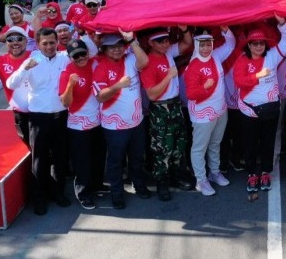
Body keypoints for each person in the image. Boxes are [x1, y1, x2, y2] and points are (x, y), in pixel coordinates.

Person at [6, 28, 71, 216]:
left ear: (57, 41)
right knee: (39, 160)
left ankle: (58, 193)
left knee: (60, 157)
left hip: (61, 116)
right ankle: (39, 198)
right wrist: (25, 68)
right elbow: (11, 84)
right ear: (38, 43)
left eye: (52, 42)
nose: (49, 46)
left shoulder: (64, 58)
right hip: (39, 118)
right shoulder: (31, 61)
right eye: (45, 43)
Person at [233, 16, 286, 196]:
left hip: (270, 110)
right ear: (248, 45)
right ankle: (251, 174)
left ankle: (266, 172)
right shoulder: (242, 60)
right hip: (249, 110)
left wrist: (282, 23)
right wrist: (258, 76)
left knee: (268, 143)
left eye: (261, 43)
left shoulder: (272, 55)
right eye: (254, 43)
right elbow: (239, 82)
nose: (259, 46)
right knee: (250, 144)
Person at [92, 30, 151, 209]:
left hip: (136, 121)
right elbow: (100, 97)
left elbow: (145, 62)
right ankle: (117, 194)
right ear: (104, 49)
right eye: (111, 47)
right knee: (115, 161)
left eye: (119, 46)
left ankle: (139, 185)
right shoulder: (100, 66)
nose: (117, 50)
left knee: (137, 157)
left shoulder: (130, 58)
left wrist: (131, 40)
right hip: (114, 126)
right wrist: (118, 85)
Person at [139, 27, 193, 201]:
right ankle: (161, 182)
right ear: (151, 43)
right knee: (162, 149)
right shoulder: (148, 62)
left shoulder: (168, 52)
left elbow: (187, 44)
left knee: (179, 144)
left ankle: (176, 177)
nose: (165, 43)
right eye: (160, 41)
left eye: (166, 40)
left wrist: (184, 30)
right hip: (160, 109)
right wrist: (168, 76)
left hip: (175, 105)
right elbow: (152, 94)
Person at [184, 27, 235, 196]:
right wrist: (205, 87)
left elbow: (231, 44)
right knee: (200, 147)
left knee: (215, 143)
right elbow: (190, 94)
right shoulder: (192, 66)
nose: (206, 48)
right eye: (203, 45)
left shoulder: (216, 56)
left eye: (209, 44)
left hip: (220, 109)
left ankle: (214, 172)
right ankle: (201, 179)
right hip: (202, 113)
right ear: (197, 45)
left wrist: (225, 30)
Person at [59, 39, 106, 210]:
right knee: (82, 162)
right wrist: (71, 85)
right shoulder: (67, 73)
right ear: (70, 58)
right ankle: (84, 193)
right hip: (78, 125)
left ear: (88, 53)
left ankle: (97, 185)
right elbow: (65, 102)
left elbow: (96, 44)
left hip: (98, 121)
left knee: (98, 157)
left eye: (83, 53)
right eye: (76, 56)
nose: (80, 58)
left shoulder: (95, 63)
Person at [0, 26, 32, 147]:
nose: (15, 42)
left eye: (19, 38)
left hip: (42, 111)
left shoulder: (37, 56)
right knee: (30, 146)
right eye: (10, 39)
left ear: (26, 41)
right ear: (6, 43)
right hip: (20, 114)